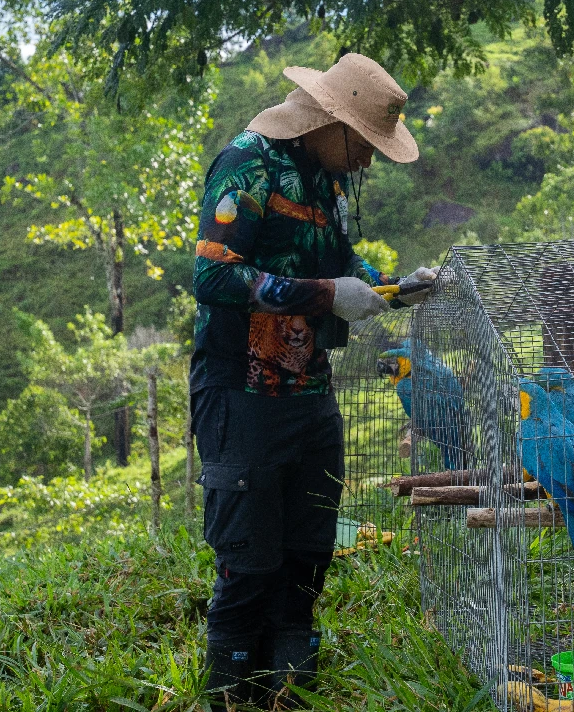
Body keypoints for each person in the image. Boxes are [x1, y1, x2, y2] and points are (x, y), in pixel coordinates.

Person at [190, 53, 435, 709]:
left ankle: (294, 690)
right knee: (249, 560)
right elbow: (213, 277)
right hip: (240, 396)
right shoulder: (247, 166)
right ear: (333, 121)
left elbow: (342, 261)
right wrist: (326, 295)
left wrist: (394, 287)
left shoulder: (323, 179)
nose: (369, 161)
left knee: (308, 550)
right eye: (367, 145)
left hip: (308, 394)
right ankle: (233, 693)